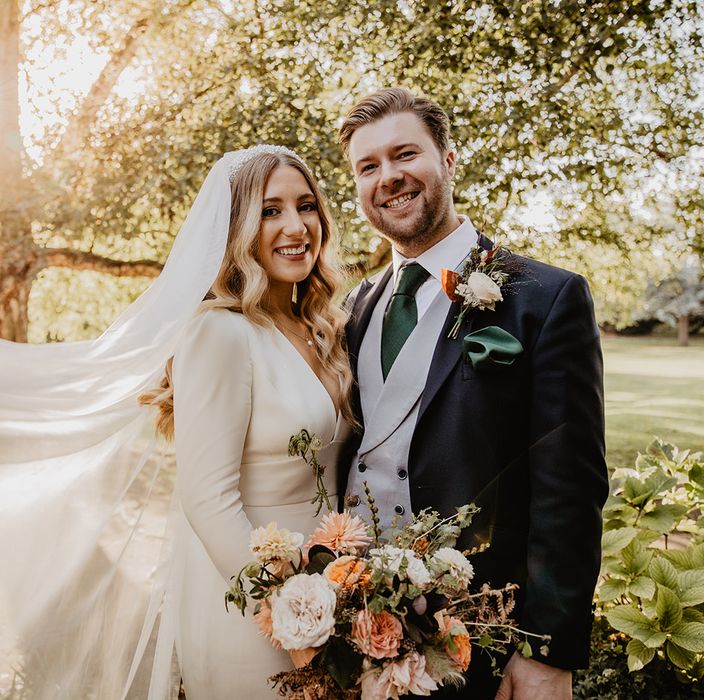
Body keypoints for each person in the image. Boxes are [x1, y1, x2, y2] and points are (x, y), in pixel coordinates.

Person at [0, 145, 353, 700]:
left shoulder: (322, 328)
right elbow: (208, 500)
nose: (295, 226)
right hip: (256, 609)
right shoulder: (220, 333)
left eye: (306, 206)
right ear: (236, 229)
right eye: (269, 211)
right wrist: (290, 617)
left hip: (335, 591)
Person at [337, 88, 608, 700]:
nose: (389, 177)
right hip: (355, 626)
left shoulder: (546, 297)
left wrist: (546, 651)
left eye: (405, 154)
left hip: (480, 637)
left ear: (450, 159)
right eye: (368, 166)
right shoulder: (355, 307)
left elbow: (570, 487)